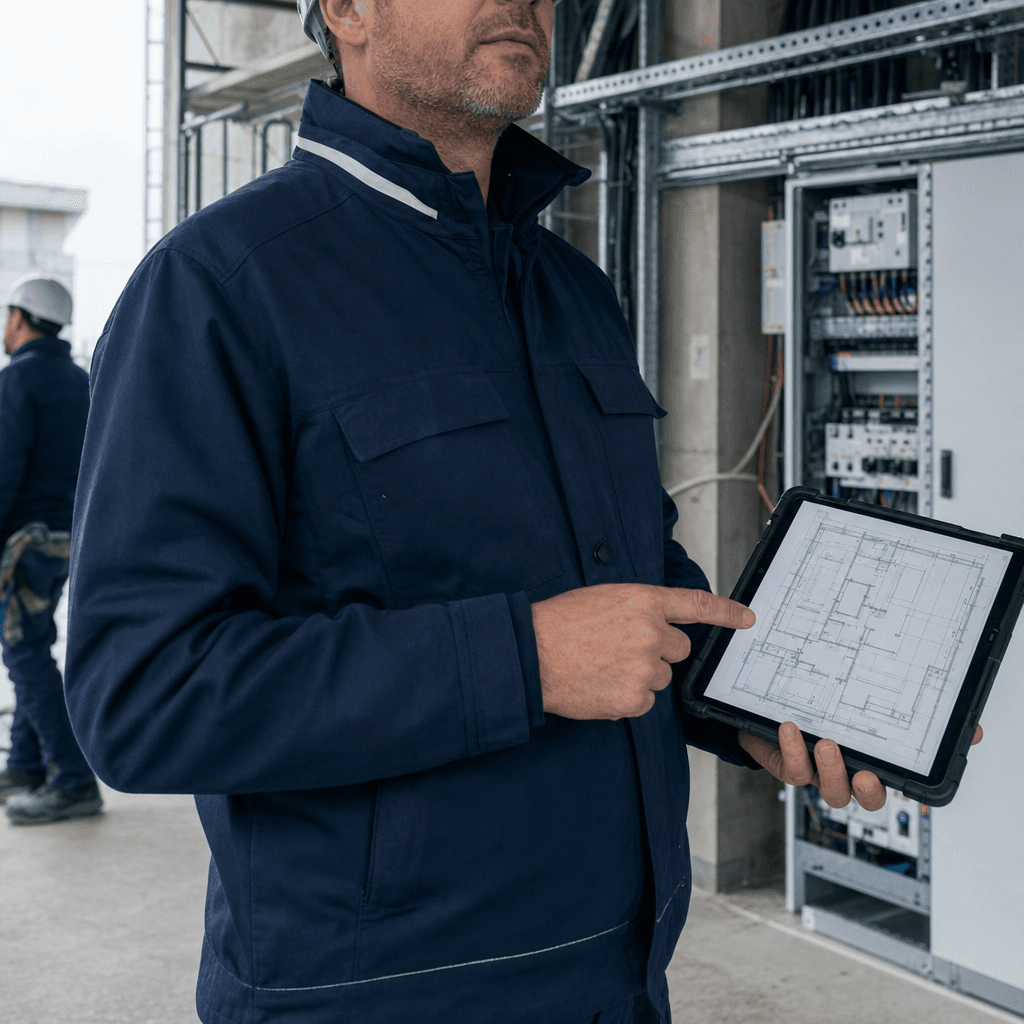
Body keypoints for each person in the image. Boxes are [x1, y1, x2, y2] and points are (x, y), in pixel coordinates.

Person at [65, 1, 903, 1021]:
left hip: (618, 977)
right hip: (373, 998)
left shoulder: (572, 291)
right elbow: (143, 695)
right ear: (347, 9)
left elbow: (630, 576)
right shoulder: (217, 289)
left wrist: (747, 704)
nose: (527, 3)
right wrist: (524, 659)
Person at [0, 276, 98, 824]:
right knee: (33, 644)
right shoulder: (80, 380)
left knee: (24, 654)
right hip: (66, 539)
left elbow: (4, 469)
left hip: (23, 541)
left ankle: (73, 780)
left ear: (19, 319)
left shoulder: (17, 381)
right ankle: (24, 765)